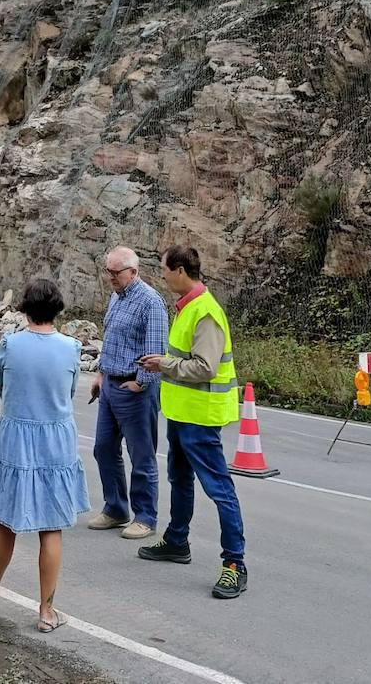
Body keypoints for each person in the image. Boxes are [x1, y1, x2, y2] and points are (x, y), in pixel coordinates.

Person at [0, 278, 89, 633]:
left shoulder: (10, 344)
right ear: (57, 309)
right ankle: (47, 611)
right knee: (51, 526)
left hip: (17, 437)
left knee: (7, 522)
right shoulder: (71, 347)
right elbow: (68, 390)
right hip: (57, 438)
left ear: (25, 308)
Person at [136, 245, 247, 599]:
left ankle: (234, 564)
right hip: (183, 414)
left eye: (165, 269)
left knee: (219, 489)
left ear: (181, 270)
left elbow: (205, 367)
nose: (163, 274)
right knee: (180, 479)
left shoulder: (206, 312)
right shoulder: (187, 308)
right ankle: (176, 541)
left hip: (201, 417)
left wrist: (163, 365)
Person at [87, 246, 168, 540]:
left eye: (115, 272)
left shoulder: (150, 302)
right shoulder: (117, 297)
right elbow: (110, 339)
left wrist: (141, 382)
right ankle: (116, 509)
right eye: (107, 270)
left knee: (141, 455)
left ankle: (145, 517)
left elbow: (157, 349)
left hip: (135, 389)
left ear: (133, 272)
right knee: (104, 449)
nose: (110, 277)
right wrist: (100, 373)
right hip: (110, 384)